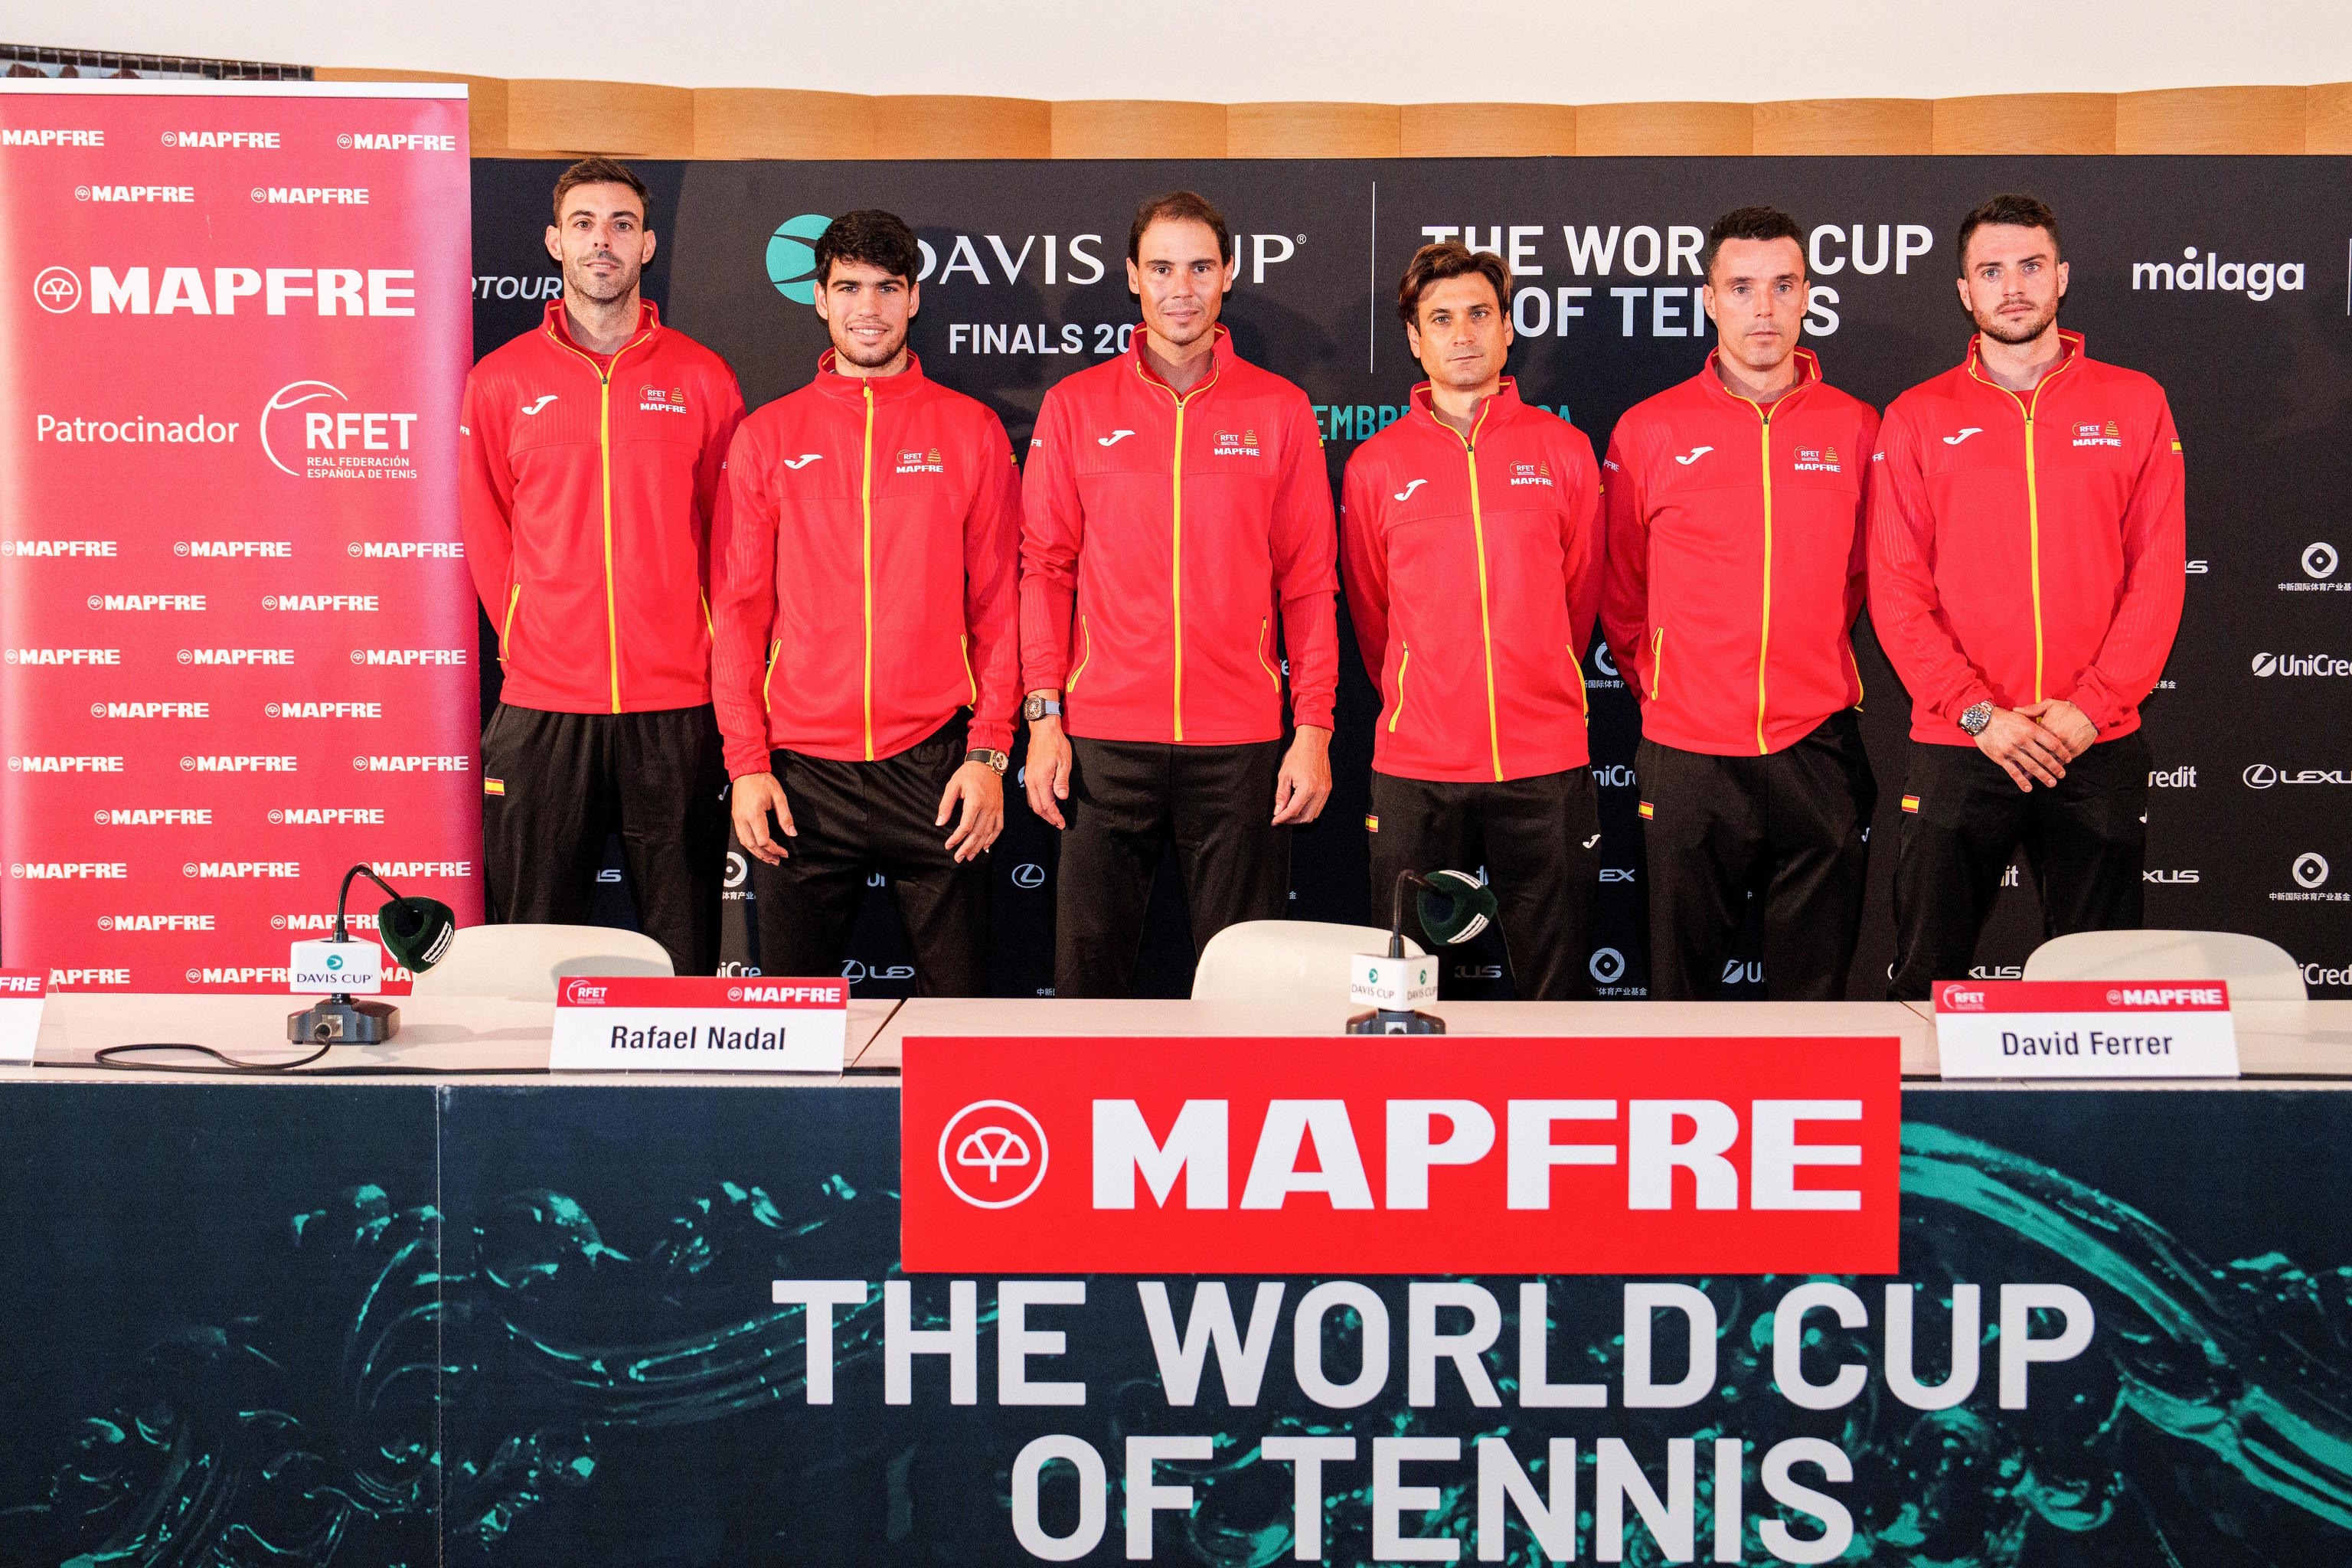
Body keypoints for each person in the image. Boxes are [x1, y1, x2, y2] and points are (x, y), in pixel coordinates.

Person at [1018, 191, 1340, 997]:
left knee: (1249, 996)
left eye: (1200, 267)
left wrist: (1313, 730)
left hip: (1238, 746)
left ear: (1228, 275)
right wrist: (1044, 715)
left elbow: (1307, 582)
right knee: (1087, 986)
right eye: (1161, 268)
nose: (1181, 287)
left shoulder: (1280, 408)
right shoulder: (1075, 405)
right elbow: (1045, 569)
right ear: (1132, 277)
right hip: (1102, 745)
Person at [1870, 192, 2186, 1000]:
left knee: (2103, 993)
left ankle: (2096, 1130)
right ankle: (1916, 1129)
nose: (2013, 286)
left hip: (2096, 740)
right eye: (1991, 270)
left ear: (2062, 277)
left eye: (2031, 266)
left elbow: (2157, 569)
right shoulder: (1916, 417)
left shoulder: (2136, 402)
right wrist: (1978, 713)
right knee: (1924, 986)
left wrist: (2093, 707)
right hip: (1961, 741)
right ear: (1964, 291)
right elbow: (1898, 590)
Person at [710, 211, 1021, 994]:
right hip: (802, 777)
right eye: (848, 287)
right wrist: (747, 762)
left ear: (914, 297)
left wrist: (988, 753)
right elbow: (740, 612)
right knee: (792, 1026)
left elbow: (1000, 606)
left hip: (938, 767)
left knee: (962, 1025)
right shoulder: (768, 435)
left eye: (887, 287)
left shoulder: (973, 431)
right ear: (818, 298)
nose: (869, 308)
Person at [459, 155, 743, 973]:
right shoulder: (501, 380)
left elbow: (728, 538)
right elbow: (488, 530)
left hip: (675, 705)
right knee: (529, 950)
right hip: (545, 707)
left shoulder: (702, 377)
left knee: (681, 947)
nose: (602, 241)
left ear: (648, 244)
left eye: (621, 224)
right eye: (584, 224)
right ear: (555, 241)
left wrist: (712, 659)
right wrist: (526, 635)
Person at [1600, 207, 1882, 1001]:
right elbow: (1620, 587)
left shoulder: (1856, 426)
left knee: (1815, 997)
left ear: (1805, 298)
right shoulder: (1649, 429)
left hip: (1817, 743)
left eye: (1782, 286)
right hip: (1689, 747)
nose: (1763, 307)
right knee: (1677, 993)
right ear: (1709, 299)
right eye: (1743, 287)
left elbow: (1863, 578)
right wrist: (1667, 680)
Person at [1339, 242, 1604, 998]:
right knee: (1406, 996)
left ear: (1507, 327)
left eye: (1479, 314)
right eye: (1442, 319)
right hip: (1419, 770)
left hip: (1544, 760)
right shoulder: (1376, 466)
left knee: (1556, 999)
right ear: (1416, 340)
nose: (1463, 334)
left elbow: (1577, 597)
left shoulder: (1564, 451)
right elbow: (1373, 613)